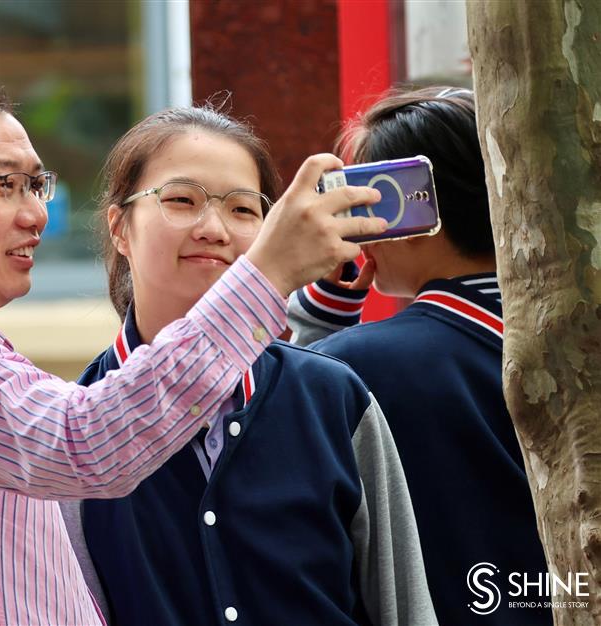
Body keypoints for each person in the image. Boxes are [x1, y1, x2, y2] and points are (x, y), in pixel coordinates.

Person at [0, 71, 388, 625]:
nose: (35, 215)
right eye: (4, 185)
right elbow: (89, 442)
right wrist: (267, 274)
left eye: (36, 185)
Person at [61, 105, 436, 626]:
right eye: (181, 200)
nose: (213, 228)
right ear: (120, 228)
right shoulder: (74, 433)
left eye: (243, 210)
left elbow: (402, 604)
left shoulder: (334, 398)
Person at [288, 87, 550, 625]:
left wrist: (314, 318)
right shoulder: (573, 337)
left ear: (403, 203)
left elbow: (276, 422)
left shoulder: (355, 368)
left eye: (360, 195)